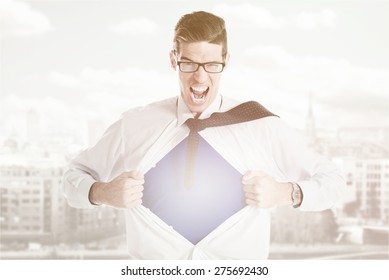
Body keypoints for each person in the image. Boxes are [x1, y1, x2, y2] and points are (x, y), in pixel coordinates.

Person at [62, 11, 345, 259]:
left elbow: (333, 183)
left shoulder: (260, 126)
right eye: (189, 64)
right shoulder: (135, 125)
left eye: (211, 65)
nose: (200, 78)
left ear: (226, 61)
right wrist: (101, 193)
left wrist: (286, 192)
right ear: (173, 60)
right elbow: (72, 177)